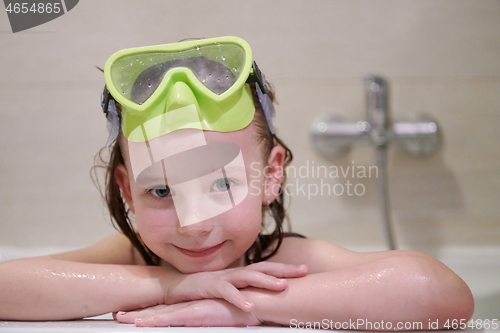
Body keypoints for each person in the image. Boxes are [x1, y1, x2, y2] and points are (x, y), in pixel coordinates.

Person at [0, 36, 474, 328]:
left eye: (222, 184)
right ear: (128, 191)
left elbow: (441, 293)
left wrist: (244, 304)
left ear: (270, 176)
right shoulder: (132, 258)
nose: (193, 224)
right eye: (161, 191)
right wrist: (167, 288)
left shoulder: (283, 262)